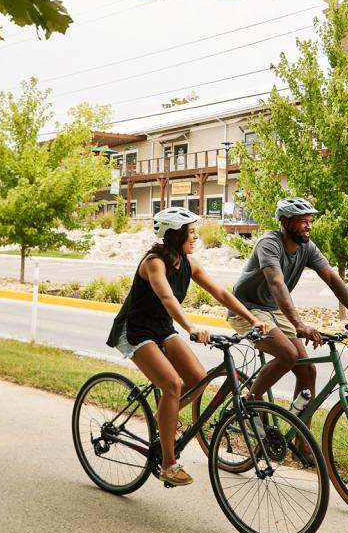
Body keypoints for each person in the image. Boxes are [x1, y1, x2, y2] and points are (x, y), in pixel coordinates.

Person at [105, 206, 272, 487]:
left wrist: (252, 318)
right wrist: (191, 328)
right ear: (174, 234)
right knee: (171, 384)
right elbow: (167, 297)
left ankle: (163, 417)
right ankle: (168, 465)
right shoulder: (153, 263)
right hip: (136, 330)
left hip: (161, 329)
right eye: (191, 231)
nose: (196, 236)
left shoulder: (189, 263)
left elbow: (219, 293)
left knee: (197, 379)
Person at [226, 196, 348, 452]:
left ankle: (301, 438)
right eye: (303, 221)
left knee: (307, 371)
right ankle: (248, 406)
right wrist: (300, 324)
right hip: (246, 309)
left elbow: (332, 277)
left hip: (273, 309)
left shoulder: (307, 247)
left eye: (310, 221)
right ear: (284, 222)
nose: (308, 226)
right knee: (288, 354)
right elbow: (276, 284)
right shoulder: (269, 243)